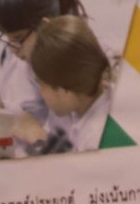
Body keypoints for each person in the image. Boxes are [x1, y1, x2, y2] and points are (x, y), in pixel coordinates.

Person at [0, 0, 84, 118]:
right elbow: (38, 110)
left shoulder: (75, 65)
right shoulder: (31, 52)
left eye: (17, 38)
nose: (13, 49)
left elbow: (60, 120)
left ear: (45, 26)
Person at [13, 16, 113, 155]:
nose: (40, 92)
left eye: (41, 84)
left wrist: (37, 139)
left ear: (64, 89)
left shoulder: (95, 141)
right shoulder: (94, 106)